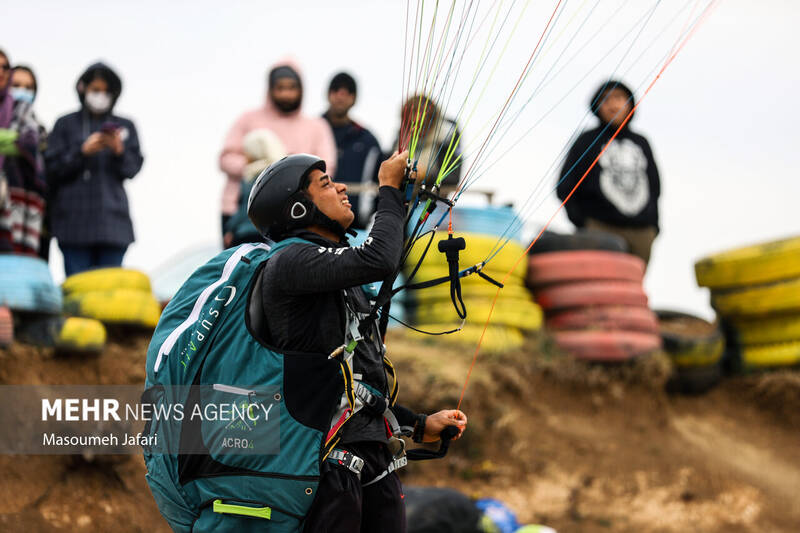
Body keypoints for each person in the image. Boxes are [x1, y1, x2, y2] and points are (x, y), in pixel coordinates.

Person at [246, 150, 468, 532]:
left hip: (373, 463)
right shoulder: (290, 263)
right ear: (299, 209)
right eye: (326, 184)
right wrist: (389, 189)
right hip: (326, 470)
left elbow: (357, 386)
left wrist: (417, 425)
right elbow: (380, 258)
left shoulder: (341, 282)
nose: (343, 187)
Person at [219, 59, 336, 243]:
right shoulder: (248, 119)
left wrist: (289, 172)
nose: (286, 94)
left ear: (301, 89)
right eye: (280, 88)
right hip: (242, 216)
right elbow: (225, 159)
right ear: (270, 89)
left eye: (291, 88)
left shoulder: (316, 127)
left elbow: (326, 167)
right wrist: (261, 168)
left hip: (296, 215)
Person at [44, 62, 143, 276]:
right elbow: (52, 168)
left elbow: (133, 168)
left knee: (107, 294)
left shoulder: (125, 125)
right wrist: (81, 151)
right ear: (83, 90)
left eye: (107, 91)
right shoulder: (65, 124)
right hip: (73, 222)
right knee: (78, 292)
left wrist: (119, 151)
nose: (101, 95)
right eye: (96, 90)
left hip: (112, 224)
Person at [556, 79, 661, 266]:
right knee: (601, 283)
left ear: (630, 102)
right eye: (606, 100)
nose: (613, 105)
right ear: (597, 106)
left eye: (619, 98)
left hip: (641, 232)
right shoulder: (586, 141)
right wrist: (583, 223)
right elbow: (565, 184)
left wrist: (653, 226)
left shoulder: (641, 142)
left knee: (631, 287)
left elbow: (655, 186)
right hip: (599, 228)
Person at [0, 52, 46, 256]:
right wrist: (10, 138)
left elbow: (29, 141)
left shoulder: (29, 117)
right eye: (17, 84)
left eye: (28, 87)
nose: (22, 91)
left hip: (17, 209)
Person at [322, 72, 383, 228]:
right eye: (336, 90)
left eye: (348, 92)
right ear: (328, 94)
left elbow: (381, 181)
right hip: (315, 225)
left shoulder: (368, 140)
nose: (341, 96)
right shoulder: (312, 130)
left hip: (356, 228)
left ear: (354, 98)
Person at [222, 128, 286, 247]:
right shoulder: (280, 174)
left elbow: (245, 209)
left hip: (248, 234)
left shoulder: (252, 175)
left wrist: (230, 229)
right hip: (274, 235)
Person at [393, 94, 462, 189]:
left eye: (422, 125)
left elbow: (453, 178)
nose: (417, 131)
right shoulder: (400, 137)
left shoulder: (447, 137)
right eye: (411, 125)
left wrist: (426, 175)